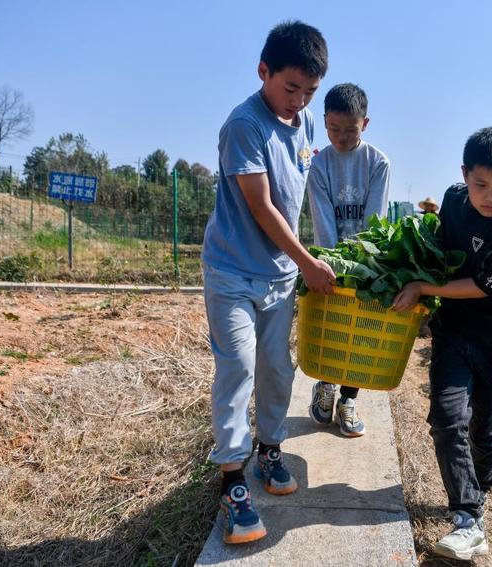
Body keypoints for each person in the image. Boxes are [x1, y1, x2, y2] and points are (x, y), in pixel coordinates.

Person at [201, 20, 335, 545]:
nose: (298, 101)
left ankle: (270, 449)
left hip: (279, 275)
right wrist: (307, 261)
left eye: (309, 92)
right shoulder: (244, 125)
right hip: (232, 271)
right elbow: (263, 207)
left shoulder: (302, 126)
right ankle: (232, 483)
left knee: (278, 368)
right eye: (290, 88)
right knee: (237, 367)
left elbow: (302, 189)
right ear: (263, 72)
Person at [392, 126, 492, 561]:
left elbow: (485, 286)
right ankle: (468, 518)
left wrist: (423, 287)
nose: (491, 196)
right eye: (481, 185)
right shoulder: (452, 199)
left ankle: (480, 491)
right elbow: (436, 244)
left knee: (485, 424)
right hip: (453, 329)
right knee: (448, 417)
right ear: (465, 175)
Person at [305, 83, 390, 437]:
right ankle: (325, 385)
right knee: (332, 327)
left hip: (365, 262)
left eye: (350, 130)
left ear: (365, 124)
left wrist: (359, 266)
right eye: (334, 129)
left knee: (360, 332)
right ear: (325, 122)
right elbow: (323, 220)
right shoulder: (319, 163)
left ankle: (349, 400)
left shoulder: (377, 163)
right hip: (330, 261)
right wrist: (332, 266)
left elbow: (375, 221)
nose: (341, 136)